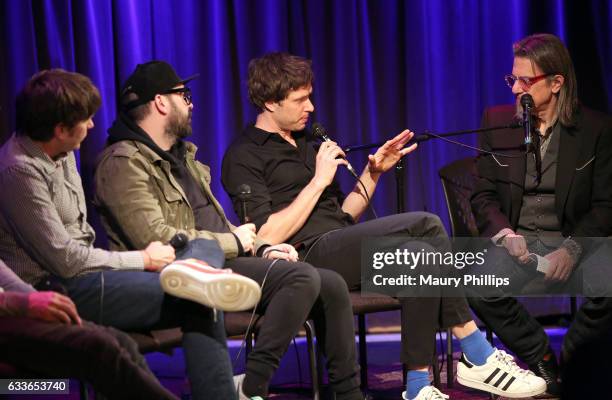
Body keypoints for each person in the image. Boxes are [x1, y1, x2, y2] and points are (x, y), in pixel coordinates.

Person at [221, 52, 545, 400]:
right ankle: (475, 350)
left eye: (310, 96)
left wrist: (373, 174)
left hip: (341, 247)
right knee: (427, 223)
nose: (311, 107)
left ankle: (418, 386)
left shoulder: (307, 143)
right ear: (270, 101)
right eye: (300, 99)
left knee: (423, 257)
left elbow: (343, 216)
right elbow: (264, 235)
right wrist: (317, 181)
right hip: (303, 260)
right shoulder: (244, 155)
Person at [94, 60, 364, 400]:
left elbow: (219, 224)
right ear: (162, 103)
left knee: (341, 280)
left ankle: (354, 392)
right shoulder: (123, 162)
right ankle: (251, 388)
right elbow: (158, 238)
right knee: (311, 274)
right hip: (185, 268)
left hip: (228, 258)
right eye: (184, 95)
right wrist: (236, 241)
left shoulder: (184, 157)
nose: (191, 104)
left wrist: (263, 246)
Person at [0, 69, 249, 399]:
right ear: (60, 129)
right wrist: (142, 260)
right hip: (56, 286)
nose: (91, 126)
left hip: (89, 275)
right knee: (199, 297)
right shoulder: (19, 169)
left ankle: (195, 269)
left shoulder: (62, 150)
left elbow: (81, 240)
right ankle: (197, 273)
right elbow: (66, 260)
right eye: (85, 120)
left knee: (201, 270)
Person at [469, 33, 612, 396]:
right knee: (476, 283)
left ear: (556, 82)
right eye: (511, 79)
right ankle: (541, 356)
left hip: (572, 242)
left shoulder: (596, 129)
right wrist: (505, 234)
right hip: (517, 244)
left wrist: (573, 248)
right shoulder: (497, 121)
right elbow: (482, 194)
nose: (515, 88)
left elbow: (605, 205)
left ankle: (575, 358)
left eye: (525, 80)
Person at [0, 259, 178, 400]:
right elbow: (65, 258)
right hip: (9, 312)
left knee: (122, 341)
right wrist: (20, 303)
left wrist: (36, 299)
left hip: (16, 305)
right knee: (98, 346)